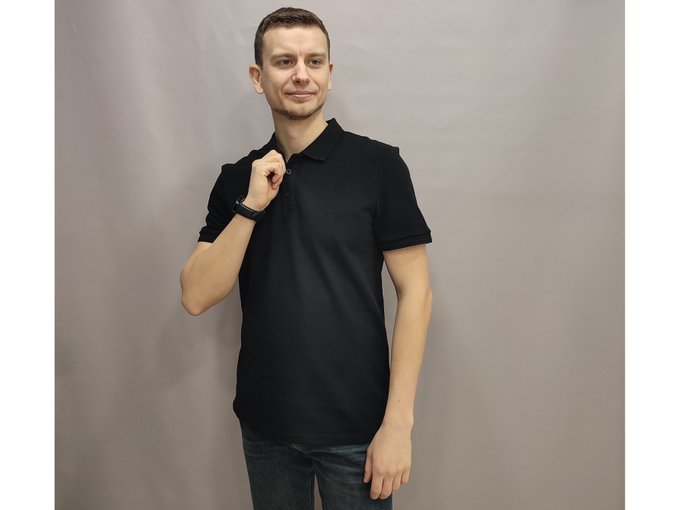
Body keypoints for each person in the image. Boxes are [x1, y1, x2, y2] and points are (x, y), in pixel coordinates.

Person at [180, 7, 433, 509]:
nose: (301, 74)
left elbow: (417, 293)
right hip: (266, 427)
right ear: (258, 77)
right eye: (284, 61)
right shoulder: (236, 179)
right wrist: (251, 206)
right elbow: (196, 295)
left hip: (359, 429)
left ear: (329, 73)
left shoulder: (378, 165)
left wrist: (397, 425)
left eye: (314, 61)